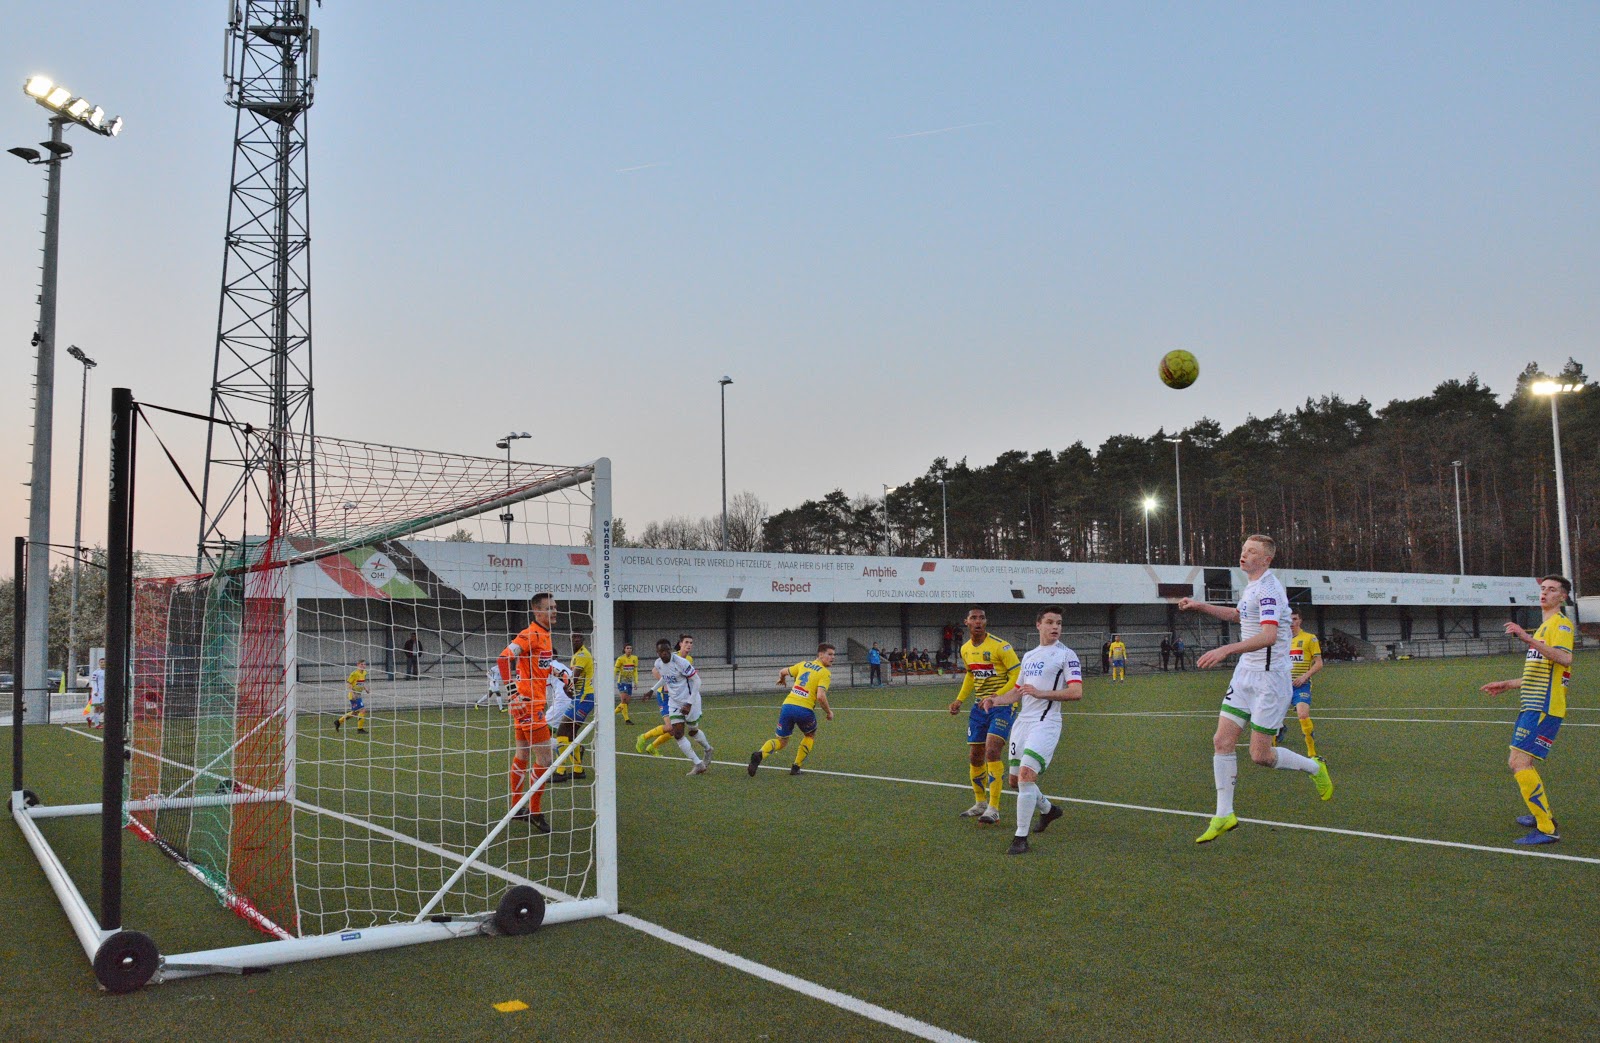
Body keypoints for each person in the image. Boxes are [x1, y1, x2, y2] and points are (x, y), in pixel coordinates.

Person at [1178, 534, 1332, 843]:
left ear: (1266, 559)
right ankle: (1224, 815)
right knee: (1221, 740)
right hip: (1245, 674)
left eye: (1252, 552)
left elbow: (1269, 636)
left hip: (1270, 681)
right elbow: (1238, 615)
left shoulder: (1271, 589)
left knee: (1260, 755)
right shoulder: (1252, 587)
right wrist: (1201, 606)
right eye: (1244, 550)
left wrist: (1226, 649)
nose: (1244, 555)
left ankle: (1314, 768)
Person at [1479, 575, 1575, 846]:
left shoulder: (1561, 626)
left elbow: (1565, 658)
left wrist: (1526, 638)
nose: (1545, 593)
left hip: (1544, 707)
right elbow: (1543, 672)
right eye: (1543, 588)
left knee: (1518, 763)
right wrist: (1508, 684)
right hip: (1531, 704)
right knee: (1522, 762)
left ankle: (1547, 828)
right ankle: (1539, 814)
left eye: (1552, 590)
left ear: (1562, 597)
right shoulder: (1544, 628)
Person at [980, 607, 1081, 854]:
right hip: (1023, 722)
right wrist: (996, 699)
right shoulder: (1029, 656)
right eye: (1049, 622)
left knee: (1026, 776)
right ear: (1038, 625)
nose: (1055, 627)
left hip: (1046, 722)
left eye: (1058, 623)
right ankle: (1048, 810)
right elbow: (1018, 691)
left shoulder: (1066, 655)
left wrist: (1041, 693)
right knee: (1015, 782)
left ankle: (1020, 838)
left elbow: (1076, 692)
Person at [950, 607, 1021, 825]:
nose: (978, 621)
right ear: (967, 622)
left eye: (981, 618)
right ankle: (979, 802)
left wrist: (997, 696)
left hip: (1002, 706)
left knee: (992, 750)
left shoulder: (1001, 646)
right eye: (974, 618)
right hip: (979, 707)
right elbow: (971, 675)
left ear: (986, 622)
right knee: (975, 755)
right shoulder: (965, 649)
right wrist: (960, 699)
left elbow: (1017, 674)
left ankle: (994, 808)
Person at [497, 592, 558, 833]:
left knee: (522, 752)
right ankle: (534, 811)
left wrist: (561, 675)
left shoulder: (545, 635)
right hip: (529, 705)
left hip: (528, 704)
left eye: (555, 607)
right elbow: (503, 660)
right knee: (545, 759)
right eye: (549, 608)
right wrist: (512, 694)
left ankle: (516, 807)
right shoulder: (530, 634)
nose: (554, 611)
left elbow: (540, 667)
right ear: (536, 611)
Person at [748, 643, 836, 777]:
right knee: (810, 735)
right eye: (829, 654)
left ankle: (759, 754)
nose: (832, 657)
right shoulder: (824, 673)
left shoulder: (803, 664)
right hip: (804, 710)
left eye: (833, 655)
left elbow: (783, 671)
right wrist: (829, 712)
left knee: (781, 741)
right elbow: (820, 696)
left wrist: (782, 679)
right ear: (820, 654)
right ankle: (796, 767)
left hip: (787, 706)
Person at [634, 638, 709, 774]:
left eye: (666, 650)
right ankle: (698, 764)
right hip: (674, 701)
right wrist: (652, 689)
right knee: (678, 734)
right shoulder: (658, 664)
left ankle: (708, 749)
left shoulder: (681, 662)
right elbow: (665, 677)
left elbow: (697, 681)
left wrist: (689, 703)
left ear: (670, 650)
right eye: (661, 651)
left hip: (691, 700)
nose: (664, 653)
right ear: (657, 653)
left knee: (692, 731)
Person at [554, 634, 596, 782]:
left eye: (579, 638)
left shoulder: (583, 654)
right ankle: (578, 771)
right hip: (581, 698)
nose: (576, 640)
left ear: (583, 640)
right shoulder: (576, 655)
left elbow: (575, 678)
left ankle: (560, 772)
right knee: (570, 734)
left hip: (584, 698)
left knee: (561, 731)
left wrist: (567, 688)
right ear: (570, 640)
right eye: (574, 638)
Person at [1287, 611, 1324, 756]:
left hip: (1300, 685)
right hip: (1281, 686)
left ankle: (1312, 752)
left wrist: (1304, 676)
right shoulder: (1280, 639)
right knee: (1272, 716)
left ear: (1300, 621)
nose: (1291, 622)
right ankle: (1275, 741)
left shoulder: (1309, 638)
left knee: (1302, 714)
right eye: (1288, 619)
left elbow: (1319, 663)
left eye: (1294, 619)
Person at [335, 659, 369, 733]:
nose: (363, 666)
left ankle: (338, 721)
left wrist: (365, 688)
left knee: (355, 713)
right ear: (358, 665)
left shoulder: (365, 672)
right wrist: (352, 693)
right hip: (354, 694)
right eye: (361, 664)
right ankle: (360, 729)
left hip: (359, 694)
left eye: (364, 664)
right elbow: (349, 684)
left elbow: (362, 682)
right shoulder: (354, 674)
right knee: (362, 710)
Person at [614, 642, 639, 724]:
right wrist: (611, 679)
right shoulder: (620, 659)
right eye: (627, 648)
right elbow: (616, 670)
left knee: (625, 703)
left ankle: (611, 714)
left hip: (629, 682)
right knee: (624, 700)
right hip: (622, 681)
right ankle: (627, 720)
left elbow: (635, 671)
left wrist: (636, 682)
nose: (629, 650)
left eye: (630, 648)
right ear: (624, 650)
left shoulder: (635, 658)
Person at [88, 657, 107, 729]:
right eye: (101, 662)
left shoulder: (108, 671)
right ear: (99, 664)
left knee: (104, 708)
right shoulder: (96, 672)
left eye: (104, 662)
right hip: (98, 693)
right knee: (97, 707)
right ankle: (97, 725)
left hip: (105, 692)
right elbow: (93, 682)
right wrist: (95, 691)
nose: (103, 664)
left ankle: (91, 718)